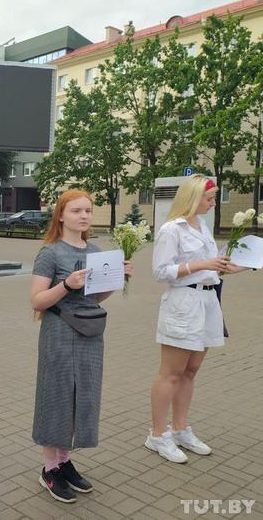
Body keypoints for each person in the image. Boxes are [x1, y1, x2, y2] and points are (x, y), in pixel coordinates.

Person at [30, 190, 134, 503]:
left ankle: (64, 461)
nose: (84, 216)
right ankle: (49, 468)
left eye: (88, 210)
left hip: (89, 333)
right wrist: (66, 285)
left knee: (81, 397)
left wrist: (116, 281)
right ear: (61, 215)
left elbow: (94, 297)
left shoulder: (96, 251)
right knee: (57, 396)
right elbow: (37, 300)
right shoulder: (50, 253)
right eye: (76, 210)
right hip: (59, 333)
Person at [145, 174, 247, 463]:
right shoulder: (171, 229)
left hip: (208, 301)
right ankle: (157, 434)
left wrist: (236, 266)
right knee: (171, 373)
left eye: (213, 198)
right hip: (183, 303)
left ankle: (180, 430)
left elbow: (211, 268)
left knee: (190, 371)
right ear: (192, 197)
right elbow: (160, 271)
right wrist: (201, 264)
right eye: (209, 198)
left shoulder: (202, 226)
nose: (213, 203)